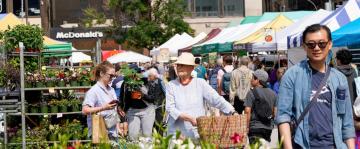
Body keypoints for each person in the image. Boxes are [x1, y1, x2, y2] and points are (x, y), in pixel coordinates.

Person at [276, 24, 355, 149]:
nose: (316, 48)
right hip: (303, 144)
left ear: (329, 45)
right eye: (311, 44)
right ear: (304, 46)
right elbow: (283, 116)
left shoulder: (340, 79)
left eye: (321, 44)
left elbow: (347, 122)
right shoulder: (292, 75)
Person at [165, 52, 236, 139]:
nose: (179, 67)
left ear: (191, 68)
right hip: (177, 134)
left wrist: (232, 111)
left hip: (196, 132)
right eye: (178, 65)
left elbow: (216, 99)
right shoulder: (171, 85)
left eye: (182, 65)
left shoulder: (200, 83)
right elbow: (170, 108)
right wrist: (190, 118)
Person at [82, 61, 126, 140]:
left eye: (114, 75)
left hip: (112, 132)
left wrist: (118, 127)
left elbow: (113, 111)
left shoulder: (111, 90)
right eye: (110, 75)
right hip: (99, 132)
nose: (112, 78)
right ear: (102, 73)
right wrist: (103, 107)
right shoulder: (93, 91)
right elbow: (85, 110)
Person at [119, 67, 156, 141]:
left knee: (147, 136)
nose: (133, 77)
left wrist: (143, 95)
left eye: (136, 74)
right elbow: (123, 99)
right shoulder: (126, 83)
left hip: (147, 110)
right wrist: (123, 115)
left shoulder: (147, 82)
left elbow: (153, 98)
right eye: (131, 75)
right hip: (132, 111)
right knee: (133, 136)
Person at [244, 69, 277, 144]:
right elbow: (275, 113)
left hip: (255, 127)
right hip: (268, 127)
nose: (251, 80)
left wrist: (246, 127)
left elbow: (247, 111)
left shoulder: (251, 93)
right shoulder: (273, 94)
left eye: (252, 78)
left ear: (257, 80)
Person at [142, 68, 166, 134]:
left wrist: (143, 96)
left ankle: (160, 141)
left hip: (159, 107)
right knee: (152, 125)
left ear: (155, 76)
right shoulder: (150, 82)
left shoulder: (160, 83)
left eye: (150, 76)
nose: (148, 77)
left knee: (159, 125)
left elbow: (155, 97)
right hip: (152, 107)